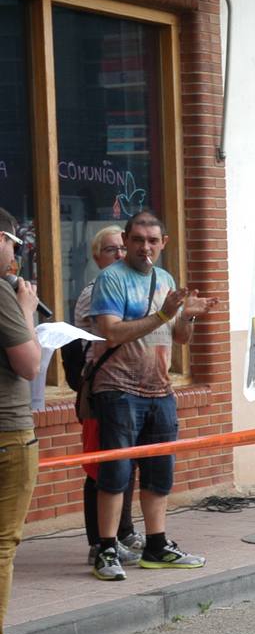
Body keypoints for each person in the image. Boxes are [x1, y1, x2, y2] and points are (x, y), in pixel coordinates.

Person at [88, 212, 217, 582]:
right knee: (115, 473)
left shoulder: (165, 279)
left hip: (160, 389)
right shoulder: (110, 279)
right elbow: (111, 333)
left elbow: (178, 339)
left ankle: (156, 545)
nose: (145, 247)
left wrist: (187, 317)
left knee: (159, 474)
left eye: (153, 241)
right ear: (126, 240)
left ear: (164, 243)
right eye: (138, 239)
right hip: (119, 389)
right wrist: (165, 313)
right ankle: (106, 548)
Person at [61, 226, 141, 567]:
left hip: (133, 388)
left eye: (124, 249)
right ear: (97, 257)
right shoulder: (95, 292)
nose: (120, 255)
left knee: (128, 461)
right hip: (102, 390)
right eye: (112, 250)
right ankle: (100, 541)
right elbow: (114, 335)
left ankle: (123, 531)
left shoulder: (131, 287)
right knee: (101, 467)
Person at [0, 208, 40, 634]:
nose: (16, 253)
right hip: (7, 432)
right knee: (3, 545)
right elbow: (30, 366)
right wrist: (28, 313)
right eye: (13, 242)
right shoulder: (3, 293)